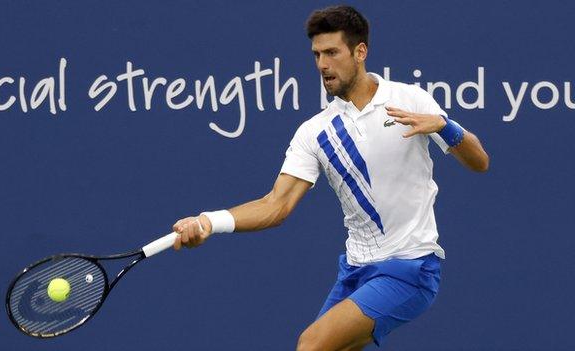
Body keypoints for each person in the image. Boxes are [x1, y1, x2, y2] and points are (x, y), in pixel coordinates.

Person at [171, 5, 489, 350]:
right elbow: (275, 205)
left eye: (332, 52)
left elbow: (479, 162)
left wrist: (445, 126)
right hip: (355, 272)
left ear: (360, 52)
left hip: (410, 268)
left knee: (311, 344)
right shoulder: (315, 131)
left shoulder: (409, 99)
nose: (322, 64)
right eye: (317, 54)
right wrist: (208, 221)